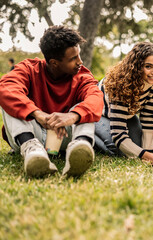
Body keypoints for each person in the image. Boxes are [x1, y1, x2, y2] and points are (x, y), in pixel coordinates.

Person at [0, 26, 104, 177]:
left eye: (78, 55)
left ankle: (80, 147)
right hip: (32, 134)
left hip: (64, 137)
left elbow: (95, 97)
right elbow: (5, 88)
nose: (80, 62)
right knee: (10, 100)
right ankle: (33, 152)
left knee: (84, 109)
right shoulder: (29, 69)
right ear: (54, 63)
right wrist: (38, 114)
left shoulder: (82, 76)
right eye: (73, 58)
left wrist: (72, 115)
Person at [95, 42, 153, 164]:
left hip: (126, 116)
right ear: (137, 66)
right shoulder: (121, 86)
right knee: (121, 150)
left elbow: (149, 120)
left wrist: (150, 152)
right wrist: (148, 156)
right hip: (98, 115)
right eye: (148, 66)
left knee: (149, 145)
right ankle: (90, 138)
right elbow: (118, 134)